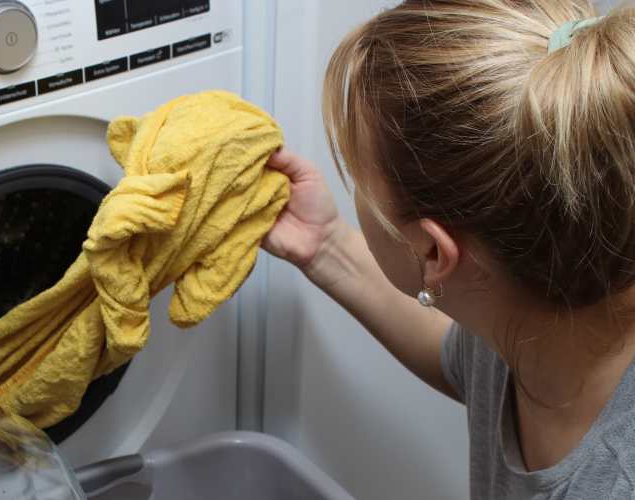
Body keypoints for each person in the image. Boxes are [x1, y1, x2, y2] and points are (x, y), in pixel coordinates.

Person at [262, 1, 635, 498]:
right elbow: (459, 358)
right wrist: (324, 244)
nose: (353, 191)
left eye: (357, 177)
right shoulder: (534, 302)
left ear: (435, 254)